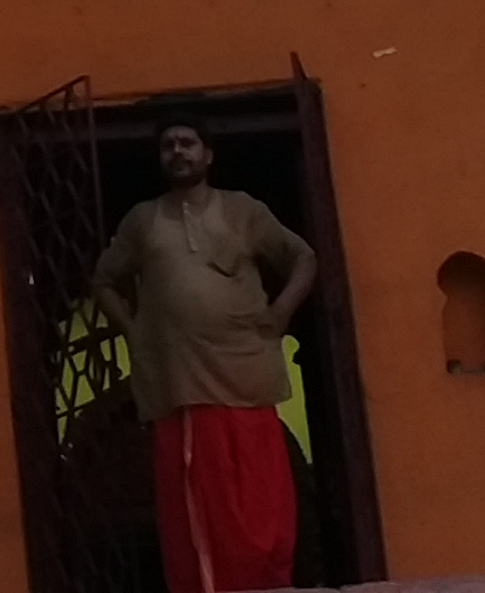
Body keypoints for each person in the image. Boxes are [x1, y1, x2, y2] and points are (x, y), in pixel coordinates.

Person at [89, 119, 318, 593]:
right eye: (168, 145)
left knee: (263, 509)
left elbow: (303, 258)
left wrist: (280, 312)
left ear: (208, 155)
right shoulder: (143, 220)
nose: (177, 152)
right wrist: (135, 330)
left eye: (187, 143)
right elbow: (105, 280)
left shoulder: (243, 211)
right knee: (200, 514)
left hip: (247, 374)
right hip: (183, 387)